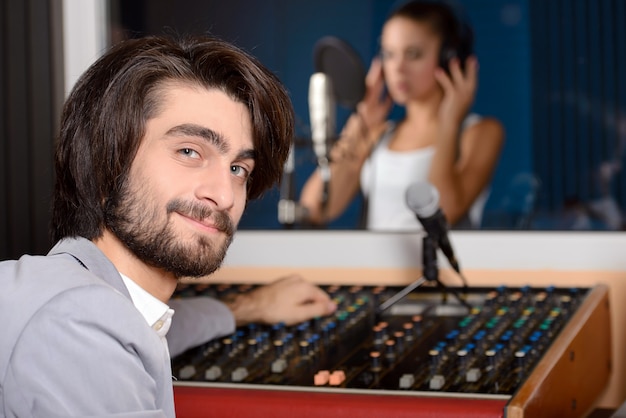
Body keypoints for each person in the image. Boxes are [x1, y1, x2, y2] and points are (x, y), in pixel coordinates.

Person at [0, 34, 336, 417]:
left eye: (238, 169)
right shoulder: (78, 323)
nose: (224, 195)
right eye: (190, 151)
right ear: (106, 162)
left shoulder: (75, 294)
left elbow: (146, 327)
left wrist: (246, 308)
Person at [300, 0, 505, 230]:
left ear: (448, 57)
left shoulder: (478, 132)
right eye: (389, 54)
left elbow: (444, 211)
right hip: (372, 267)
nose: (397, 68)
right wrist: (360, 122)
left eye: (413, 54)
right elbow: (313, 208)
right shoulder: (379, 134)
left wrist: (449, 122)